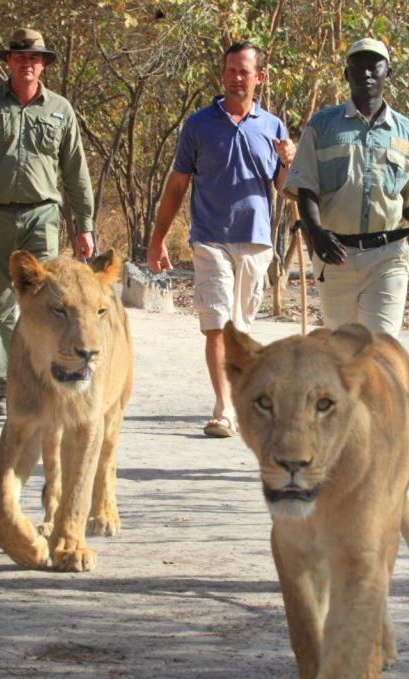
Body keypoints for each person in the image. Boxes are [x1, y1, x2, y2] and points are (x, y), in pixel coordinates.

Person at [146, 41, 295, 438]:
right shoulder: (198, 125)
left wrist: (288, 162)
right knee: (216, 324)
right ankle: (223, 407)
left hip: (256, 241)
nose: (236, 78)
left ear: (258, 78)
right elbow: (177, 185)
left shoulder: (273, 126)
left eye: (244, 71)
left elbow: (284, 187)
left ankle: (244, 399)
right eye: (230, 70)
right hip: (210, 237)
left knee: (239, 330)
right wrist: (157, 239)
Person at [0, 28, 95, 416]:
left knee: (46, 303)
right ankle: (5, 385)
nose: (26, 64)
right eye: (19, 57)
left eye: (34, 58)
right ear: (8, 62)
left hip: (42, 215)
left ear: (43, 63)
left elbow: (76, 170)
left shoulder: (60, 110)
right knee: (0, 306)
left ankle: (43, 379)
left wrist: (85, 225)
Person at [285, 37, 409, 335]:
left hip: (388, 255)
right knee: (343, 352)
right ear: (346, 75)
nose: (366, 73)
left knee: (380, 348)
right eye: (357, 67)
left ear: (387, 73)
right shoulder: (322, 126)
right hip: (336, 254)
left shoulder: (407, 133)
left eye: (373, 66)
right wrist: (316, 233)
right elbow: (305, 188)